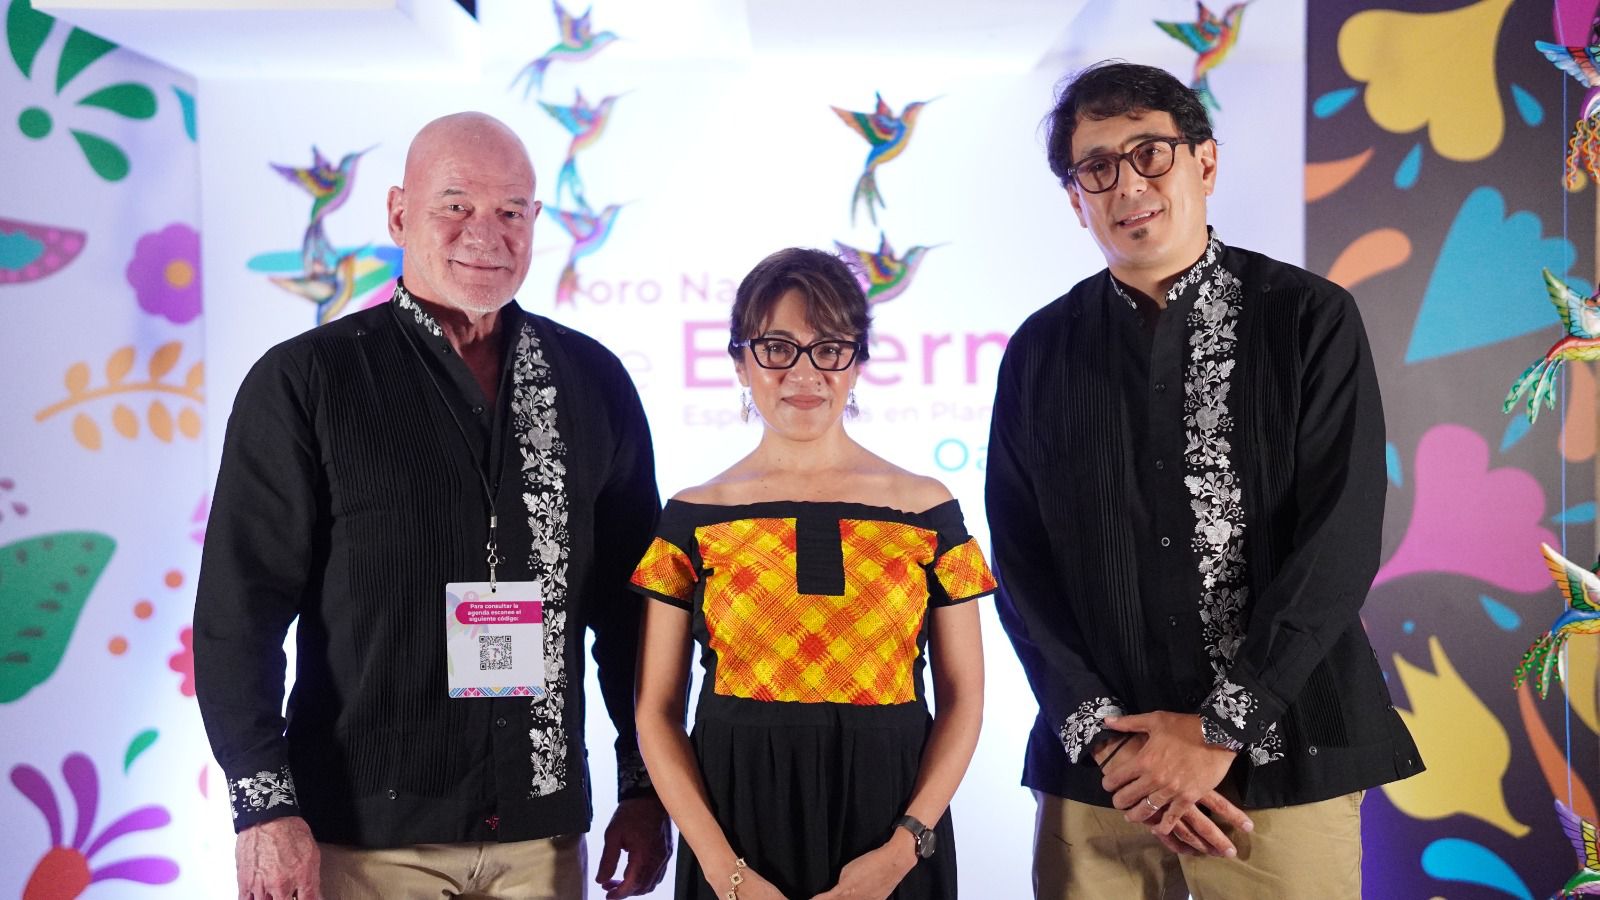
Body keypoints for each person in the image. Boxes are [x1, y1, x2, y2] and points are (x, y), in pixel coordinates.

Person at [195, 112, 672, 900]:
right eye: (455, 205)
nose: (485, 233)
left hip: (542, 838)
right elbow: (237, 615)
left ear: (536, 221)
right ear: (397, 213)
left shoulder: (592, 381)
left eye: (510, 210)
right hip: (363, 837)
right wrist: (264, 809)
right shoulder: (307, 382)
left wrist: (644, 785)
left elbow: (635, 616)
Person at [986, 62, 1424, 899]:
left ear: (1205, 162)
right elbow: (1022, 566)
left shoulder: (1307, 318)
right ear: (1075, 199)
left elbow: (1338, 540)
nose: (1127, 185)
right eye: (1097, 168)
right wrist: (1117, 748)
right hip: (1103, 781)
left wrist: (1218, 731)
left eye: (1150, 152)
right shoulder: (1041, 351)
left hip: (1284, 759)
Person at [630, 248, 991, 900]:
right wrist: (723, 870)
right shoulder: (693, 517)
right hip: (738, 839)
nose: (804, 372)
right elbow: (655, 712)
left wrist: (903, 849)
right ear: (740, 361)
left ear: (858, 361)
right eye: (777, 348)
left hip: (892, 834)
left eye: (828, 348)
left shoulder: (926, 510)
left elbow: (964, 698)